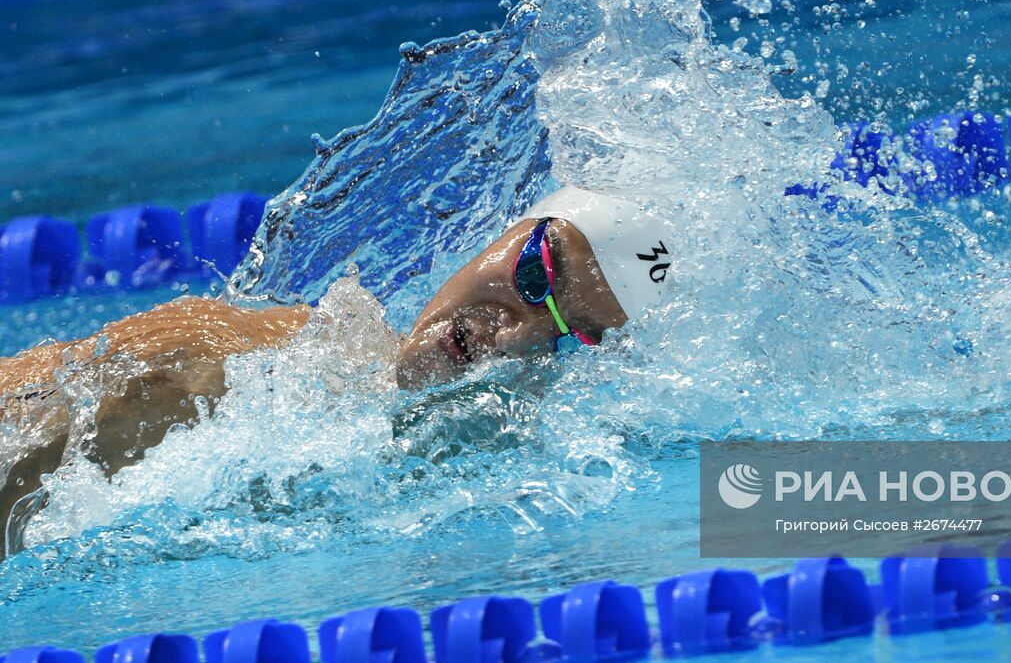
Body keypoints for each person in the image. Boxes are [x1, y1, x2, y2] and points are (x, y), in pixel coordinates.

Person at [0, 186, 675, 546]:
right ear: (506, 232)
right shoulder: (259, 359)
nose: (514, 334)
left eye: (565, 335)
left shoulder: (514, 486)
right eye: (535, 275)